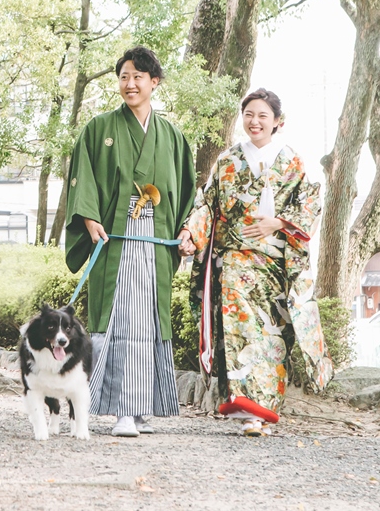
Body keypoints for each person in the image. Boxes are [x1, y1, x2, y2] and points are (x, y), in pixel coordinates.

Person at [180, 88, 333, 437]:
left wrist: (278, 222)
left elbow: (308, 203)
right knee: (240, 328)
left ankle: (264, 409)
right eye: (249, 114)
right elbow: (207, 204)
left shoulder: (292, 160)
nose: (255, 121)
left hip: (276, 261)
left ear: (277, 121)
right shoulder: (228, 160)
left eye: (263, 115)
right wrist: (192, 233)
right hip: (234, 257)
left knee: (274, 334)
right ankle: (248, 410)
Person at [64, 46, 197, 437]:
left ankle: (141, 410)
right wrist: (89, 219)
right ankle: (123, 409)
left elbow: (187, 193)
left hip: (155, 241)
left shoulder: (171, 135)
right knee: (121, 320)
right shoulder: (99, 128)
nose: (130, 83)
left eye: (138, 76)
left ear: (154, 82)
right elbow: (82, 179)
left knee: (150, 323)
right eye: (124, 76)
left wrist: (186, 231)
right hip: (115, 237)